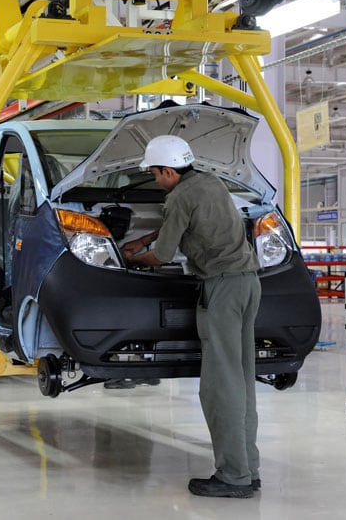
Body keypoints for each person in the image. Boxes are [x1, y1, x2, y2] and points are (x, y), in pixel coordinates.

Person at [122, 135, 261, 499]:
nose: (154, 179)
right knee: (242, 377)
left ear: (168, 171)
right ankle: (248, 468)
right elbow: (183, 223)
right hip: (249, 284)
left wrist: (134, 257)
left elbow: (164, 255)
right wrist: (147, 238)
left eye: (154, 173)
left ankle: (233, 476)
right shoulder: (210, 182)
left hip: (222, 290)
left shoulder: (178, 196)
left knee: (220, 386)